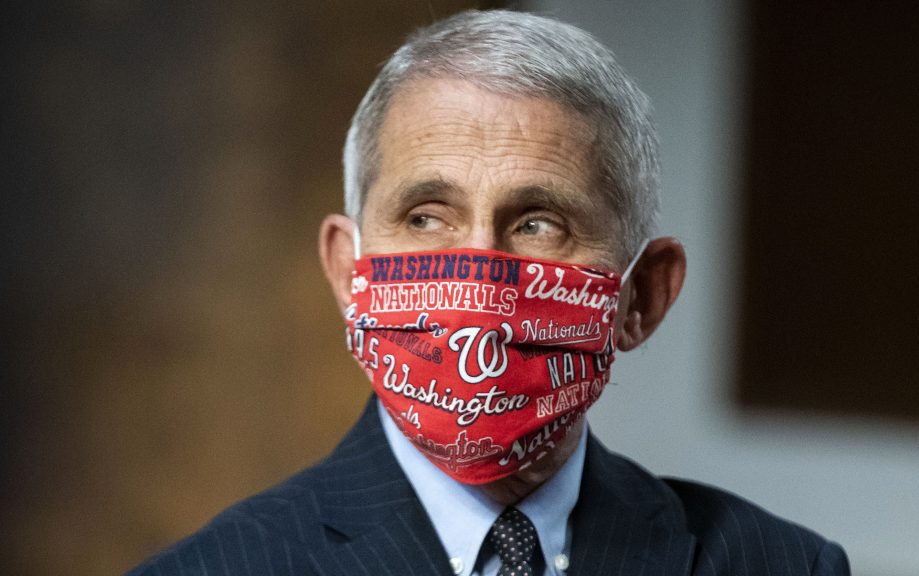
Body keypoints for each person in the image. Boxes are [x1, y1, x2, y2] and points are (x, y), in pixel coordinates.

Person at [129, 10, 849, 576]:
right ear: (350, 273)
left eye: (539, 223)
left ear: (643, 298)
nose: (479, 277)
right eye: (425, 217)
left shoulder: (782, 566)